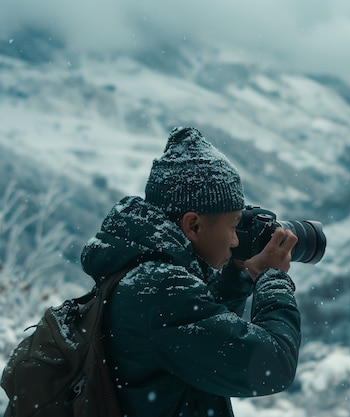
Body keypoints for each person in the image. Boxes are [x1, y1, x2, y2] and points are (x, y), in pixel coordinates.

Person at [80, 127, 301, 416]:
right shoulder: (159, 291)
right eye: (232, 226)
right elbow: (274, 365)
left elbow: (206, 332)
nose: (235, 241)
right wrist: (273, 280)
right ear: (193, 225)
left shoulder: (143, 274)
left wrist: (238, 278)